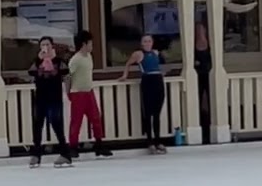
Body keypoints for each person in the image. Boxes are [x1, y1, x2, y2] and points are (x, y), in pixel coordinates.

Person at [27, 36, 72, 168]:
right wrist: (40, 59)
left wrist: (52, 59)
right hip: (40, 97)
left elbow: (66, 71)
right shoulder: (37, 61)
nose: (45, 47)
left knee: (56, 123)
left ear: (52, 46)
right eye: (42, 45)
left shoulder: (59, 61)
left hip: (54, 98)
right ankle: (36, 154)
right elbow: (31, 72)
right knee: (37, 124)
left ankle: (65, 153)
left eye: (47, 44)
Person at [65, 30, 112, 158]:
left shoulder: (89, 56)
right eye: (90, 43)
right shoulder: (76, 59)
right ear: (84, 44)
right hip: (78, 94)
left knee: (96, 118)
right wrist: (68, 92)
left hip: (88, 92)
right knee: (76, 121)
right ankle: (73, 147)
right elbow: (67, 77)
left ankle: (99, 144)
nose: (92, 45)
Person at [120, 34, 168, 154]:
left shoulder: (156, 53)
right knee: (148, 112)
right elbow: (128, 63)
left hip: (158, 80)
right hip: (148, 81)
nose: (147, 43)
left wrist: (162, 73)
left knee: (157, 113)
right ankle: (150, 141)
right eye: (145, 41)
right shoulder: (138, 54)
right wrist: (125, 75)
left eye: (149, 41)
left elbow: (156, 66)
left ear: (152, 42)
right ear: (141, 43)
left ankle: (158, 141)